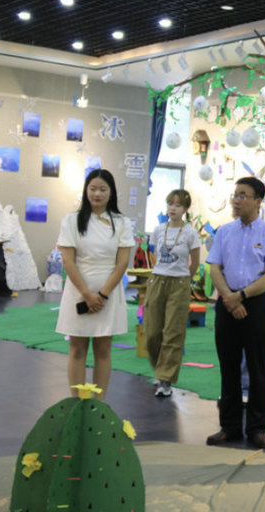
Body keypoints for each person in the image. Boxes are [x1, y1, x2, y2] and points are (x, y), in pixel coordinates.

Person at [205, 177, 265, 450]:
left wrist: (241, 296)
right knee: (228, 367)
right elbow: (214, 267)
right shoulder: (225, 232)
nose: (236, 200)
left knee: (258, 368)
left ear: (258, 201)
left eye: (243, 195)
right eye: (235, 195)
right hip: (226, 303)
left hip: (256, 304)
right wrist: (229, 297)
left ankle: (256, 429)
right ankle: (229, 427)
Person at [55, 169, 135, 401]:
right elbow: (68, 261)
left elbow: (122, 263)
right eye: (92, 189)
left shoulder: (121, 223)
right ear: (86, 190)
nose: (97, 194)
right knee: (77, 349)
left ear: (111, 192)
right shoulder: (71, 220)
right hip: (78, 292)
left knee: (103, 350)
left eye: (102, 189)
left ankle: (98, 405)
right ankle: (77, 402)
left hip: (108, 294)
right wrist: (87, 294)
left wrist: (102, 295)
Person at [144, 189, 201, 397]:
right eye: (170, 204)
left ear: (185, 209)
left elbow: (195, 262)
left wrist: (185, 280)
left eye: (178, 205)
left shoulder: (190, 233)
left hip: (180, 282)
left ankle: (165, 379)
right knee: (152, 332)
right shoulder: (159, 230)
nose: (173, 209)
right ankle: (159, 369)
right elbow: (154, 254)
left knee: (173, 331)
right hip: (157, 280)